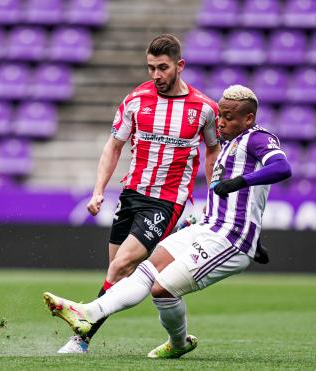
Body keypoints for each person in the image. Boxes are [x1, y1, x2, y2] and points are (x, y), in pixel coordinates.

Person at [43, 84, 292, 359]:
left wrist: (239, 183)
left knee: (162, 289)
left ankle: (178, 343)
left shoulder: (258, 138)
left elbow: (282, 167)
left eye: (229, 118)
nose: (220, 122)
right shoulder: (229, 143)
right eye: (220, 115)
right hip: (207, 227)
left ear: (249, 119)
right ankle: (88, 312)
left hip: (230, 239)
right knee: (146, 271)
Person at [54, 34, 222, 353]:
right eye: (150, 68)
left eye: (162, 68)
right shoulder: (135, 100)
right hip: (131, 195)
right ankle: (176, 336)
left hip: (167, 201)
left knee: (120, 266)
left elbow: (213, 151)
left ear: (179, 66)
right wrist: (98, 191)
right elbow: (114, 146)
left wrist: (213, 192)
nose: (156, 75)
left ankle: (80, 335)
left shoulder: (204, 109)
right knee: (116, 273)